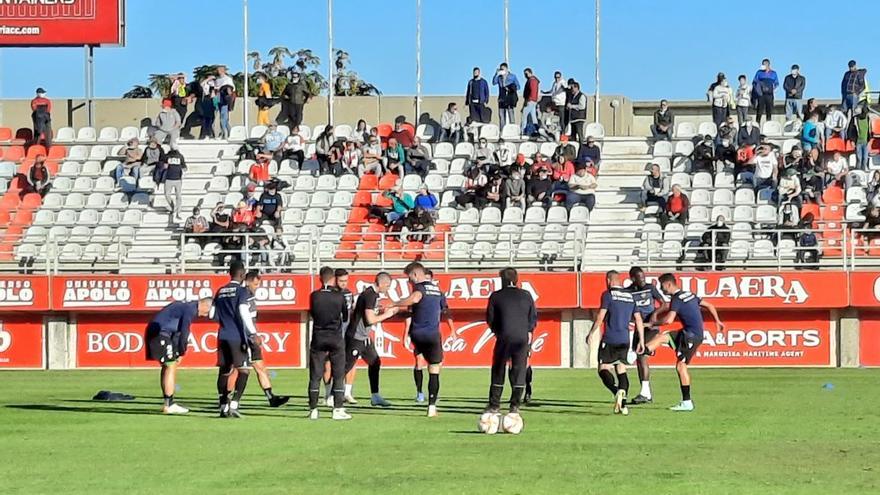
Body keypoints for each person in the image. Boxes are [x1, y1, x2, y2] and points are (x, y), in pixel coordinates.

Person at [647, 273, 724, 412]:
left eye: (662, 285)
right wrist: (717, 320)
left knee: (681, 366)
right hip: (687, 332)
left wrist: (654, 323)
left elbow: (669, 320)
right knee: (662, 337)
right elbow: (710, 305)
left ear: (668, 284)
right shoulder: (689, 294)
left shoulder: (676, 299)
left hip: (691, 336)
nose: (661, 289)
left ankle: (687, 402)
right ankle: (638, 354)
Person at [393, 262, 452, 417]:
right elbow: (444, 310)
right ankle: (431, 407)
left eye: (409, 278)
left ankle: (419, 392)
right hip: (432, 334)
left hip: (417, 334)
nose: (409, 281)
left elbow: (414, 299)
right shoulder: (438, 291)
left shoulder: (419, 288)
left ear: (416, 275)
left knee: (419, 361)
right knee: (434, 368)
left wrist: (395, 303)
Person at [587, 270, 645, 416]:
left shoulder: (608, 295)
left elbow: (601, 316)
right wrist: (641, 341)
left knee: (603, 369)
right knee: (621, 368)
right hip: (625, 340)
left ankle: (616, 391)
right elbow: (638, 319)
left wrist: (592, 332)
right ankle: (623, 405)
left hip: (610, 339)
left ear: (608, 281)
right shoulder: (630, 296)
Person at [146, 297, 212, 414]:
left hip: (157, 332)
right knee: (171, 366)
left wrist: (178, 350)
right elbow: (184, 332)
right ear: (204, 305)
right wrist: (182, 352)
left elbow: (177, 332)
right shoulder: (190, 309)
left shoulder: (185, 306)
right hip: (160, 334)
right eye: (206, 312)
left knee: (167, 366)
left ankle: (167, 402)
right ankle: (169, 404)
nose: (204, 316)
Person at [485, 267, 536, 416]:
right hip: (522, 337)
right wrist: (527, 334)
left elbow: (490, 319)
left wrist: (498, 332)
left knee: (499, 369)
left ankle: (494, 405)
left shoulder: (496, 296)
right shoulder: (526, 295)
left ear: (502, 280)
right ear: (516, 279)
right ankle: (515, 406)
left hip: (504, 336)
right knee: (519, 369)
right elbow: (532, 319)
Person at [235, 270, 290, 408]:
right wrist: (253, 334)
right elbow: (243, 316)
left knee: (260, 367)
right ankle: (228, 399)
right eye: (255, 284)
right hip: (245, 338)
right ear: (247, 281)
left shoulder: (249, 295)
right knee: (238, 369)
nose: (256, 287)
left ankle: (271, 397)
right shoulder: (243, 295)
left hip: (251, 338)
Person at [344, 273, 399, 407]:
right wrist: (387, 314)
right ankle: (333, 394)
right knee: (346, 366)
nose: (387, 289)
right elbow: (370, 319)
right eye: (388, 286)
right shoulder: (370, 295)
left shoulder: (370, 295)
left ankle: (375, 396)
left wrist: (380, 312)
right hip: (356, 336)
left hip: (364, 337)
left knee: (375, 362)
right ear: (382, 284)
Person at [214, 261, 258, 418]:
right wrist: (253, 333)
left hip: (222, 335)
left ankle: (223, 405)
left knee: (224, 371)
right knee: (244, 371)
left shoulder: (220, 291)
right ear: (241, 274)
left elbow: (213, 314)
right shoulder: (241, 291)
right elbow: (243, 310)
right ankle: (234, 404)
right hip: (236, 336)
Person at [307, 267, 351, 420]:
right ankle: (338, 409)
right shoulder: (339, 296)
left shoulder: (314, 296)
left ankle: (313, 410)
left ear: (320, 278)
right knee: (338, 374)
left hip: (318, 337)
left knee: (315, 375)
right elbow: (345, 316)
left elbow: (312, 313)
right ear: (333, 279)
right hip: (335, 338)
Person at [627, 267, 666, 405]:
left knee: (642, 356)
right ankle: (646, 393)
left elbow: (664, 304)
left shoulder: (650, 288)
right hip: (639, 329)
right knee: (639, 359)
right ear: (633, 279)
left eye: (644, 277)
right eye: (640, 278)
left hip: (651, 327)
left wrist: (655, 313)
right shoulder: (629, 292)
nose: (643, 280)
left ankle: (645, 393)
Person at [493, 63, 520, 128]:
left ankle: (513, 129)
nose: (501, 70)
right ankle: (502, 130)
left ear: (506, 69)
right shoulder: (499, 77)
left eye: (503, 69)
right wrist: (496, 74)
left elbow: (518, 86)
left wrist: (510, 88)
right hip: (501, 98)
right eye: (500, 69)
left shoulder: (512, 76)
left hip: (509, 98)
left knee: (511, 114)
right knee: (501, 115)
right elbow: (494, 82)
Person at [752, 58, 779, 124]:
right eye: (762, 64)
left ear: (768, 65)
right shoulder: (759, 72)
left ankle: (768, 124)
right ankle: (757, 124)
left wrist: (773, 88)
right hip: (761, 94)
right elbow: (754, 81)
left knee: (769, 110)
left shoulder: (773, 73)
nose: (763, 65)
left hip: (769, 94)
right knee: (759, 110)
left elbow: (776, 83)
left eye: (764, 64)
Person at [163, 148, 186, 221]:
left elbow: (184, 166)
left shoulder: (180, 156)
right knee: (167, 195)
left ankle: (178, 211)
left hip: (177, 179)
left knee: (178, 196)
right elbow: (164, 166)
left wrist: (183, 170)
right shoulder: (167, 156)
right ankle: (173, 207)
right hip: (169, 178)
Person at [215, 66, 235, 139]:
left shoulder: (227, 79)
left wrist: (228, 96)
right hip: (218, 99)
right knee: (224, 119)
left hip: (225, 100)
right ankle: (230, 133)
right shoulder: (217, 80)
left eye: (219, 70)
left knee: (223, 118)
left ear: (223, 71)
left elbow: (231, 89)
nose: (218, 71)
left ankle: (223, 133)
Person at [521, 68, 540, 134]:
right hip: (532, 100)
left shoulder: (532, 80)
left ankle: (523, 130)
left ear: (530, 73)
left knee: (524, 114)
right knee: (533, 116)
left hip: (530, 100)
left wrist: (529, 99)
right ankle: (537, 129)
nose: (525, 75)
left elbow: (533, 91)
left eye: (526, 74)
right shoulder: (532, 80)